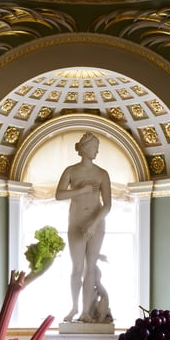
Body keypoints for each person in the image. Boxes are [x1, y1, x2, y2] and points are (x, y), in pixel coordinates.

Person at [55, 132, 113, 323]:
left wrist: (93, 223)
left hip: (96, 223)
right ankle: (74, 308)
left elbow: (107, 205)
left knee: (91, 267)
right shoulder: (71, 171)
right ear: (85, 149)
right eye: (94, 147)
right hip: (76, 222)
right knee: (77, 267)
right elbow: (59, 195)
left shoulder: (102, 173)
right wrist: (82, 190)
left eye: (97, 147)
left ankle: (86, 312)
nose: (96, 151)